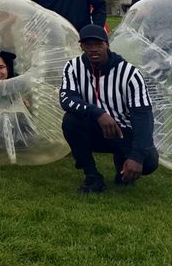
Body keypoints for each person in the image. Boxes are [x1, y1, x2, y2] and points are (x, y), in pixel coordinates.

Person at [59, 25, 159, 193]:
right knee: (70, 121)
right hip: (94, 129)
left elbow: (143, 116)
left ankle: (122, 161)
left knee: (148, 162)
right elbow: (66, 98)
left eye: (98, 44)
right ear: (81, 47)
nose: (93, 49)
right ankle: (92, 176)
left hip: (123, 130)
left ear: (107, 44)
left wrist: (137, 156)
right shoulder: (73, 67)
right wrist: (98, 113)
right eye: (87, 45)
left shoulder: (130, 73)